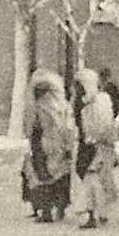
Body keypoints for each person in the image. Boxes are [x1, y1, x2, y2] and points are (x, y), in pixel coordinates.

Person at [23, 70, 75, 223]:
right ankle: (60, 208)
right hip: (60, 144)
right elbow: (68, 128)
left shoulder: (38, 107)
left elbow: (33, 128)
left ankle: (46, 211)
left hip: (44, 145)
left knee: (43, 176)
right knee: (60, 176)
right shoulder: (62, 106)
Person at [75, 68, 118, 229]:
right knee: (95, 180)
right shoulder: (89, 102)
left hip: (95, 146)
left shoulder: (98, 102)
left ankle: (94, 213)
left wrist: (94, 139)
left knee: (92, 180)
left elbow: (104, 125)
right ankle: (99, 211)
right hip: (91, 145)